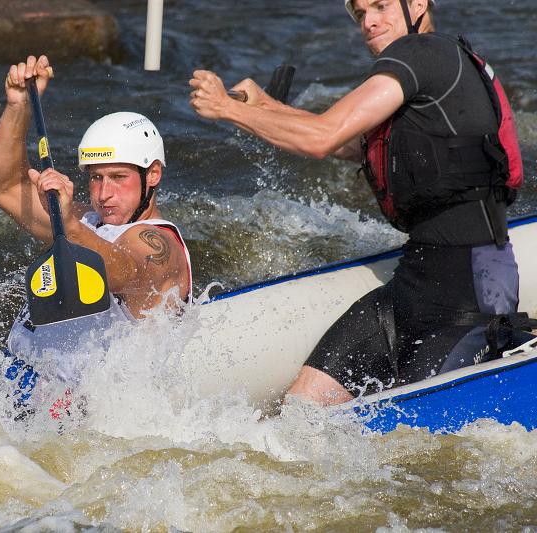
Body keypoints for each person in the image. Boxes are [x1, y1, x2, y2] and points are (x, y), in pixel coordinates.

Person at [188, 0, 533, 405]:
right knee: (301, 408)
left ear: (418, 4)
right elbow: (353, 144)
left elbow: (322, 137)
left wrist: (225, 108)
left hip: (469, 295)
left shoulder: (421, 53)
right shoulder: (431, 74)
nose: (369, 22)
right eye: (360, 13)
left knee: (411, 429)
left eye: (380, 6)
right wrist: (267, 108)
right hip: (412, 285)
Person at [0, 54, 193, 413]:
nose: (104, 193)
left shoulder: (157, 244)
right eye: (96, 177)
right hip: (20, 380)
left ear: (153, 175)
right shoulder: (88, 222)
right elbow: (4, 187)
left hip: (85, 411)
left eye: (118, 177)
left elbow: (124, 270)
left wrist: (66, 223)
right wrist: (18, 108)